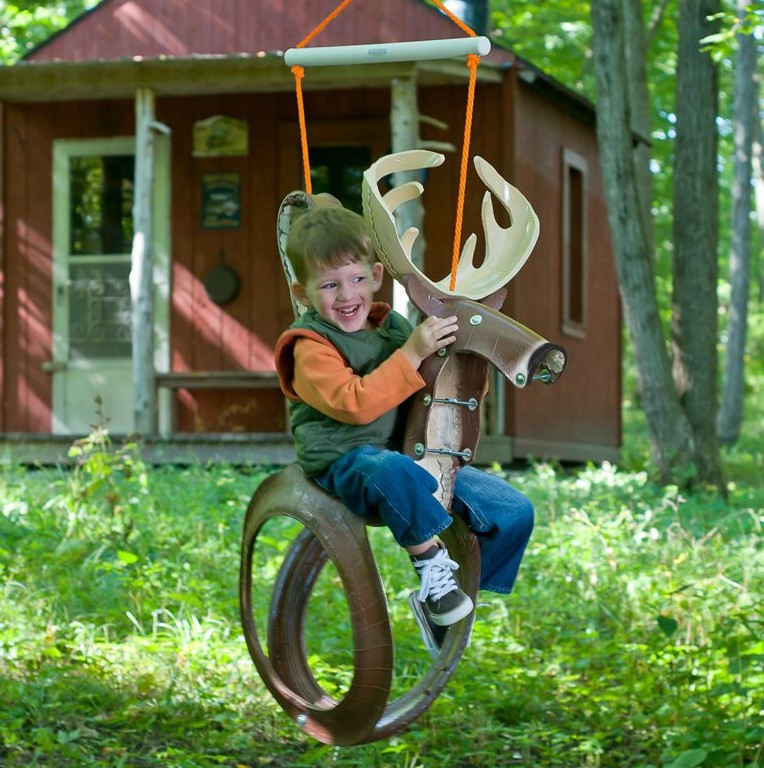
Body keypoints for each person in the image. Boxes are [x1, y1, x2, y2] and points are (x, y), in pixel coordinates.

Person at [274, 201, 534, 656]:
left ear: (377, 276)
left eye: (356, 279)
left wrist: (457, 363)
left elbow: (432, 392)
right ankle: (432, 566)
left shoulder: (391, 327)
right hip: (346, 461)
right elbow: (353, 404)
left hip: (407, 455)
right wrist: (412, 353)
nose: (346, 294)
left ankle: (453, 601)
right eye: (330, 285)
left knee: (511, 510)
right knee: (388, 469)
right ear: (302, 292)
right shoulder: (308, 346)